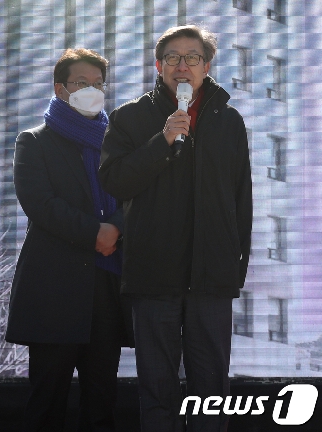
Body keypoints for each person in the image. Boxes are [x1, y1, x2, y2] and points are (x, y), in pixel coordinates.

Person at [99, 25, 252, 432]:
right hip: (154, 276)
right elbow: (115, 181)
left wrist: (234, 269)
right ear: (158, 64)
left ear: (206, 66)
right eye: (172, 57)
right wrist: (162, 140)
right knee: (157, 392)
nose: (181, 66)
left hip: (210, 280)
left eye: (192, 58)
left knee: (211, 396)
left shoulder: (229, 120)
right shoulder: (130, 117)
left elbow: (242, 200)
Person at [5, 48, 134, 432]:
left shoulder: (119, 144)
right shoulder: (34, 141)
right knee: (47, 401)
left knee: (101, 404)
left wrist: (116, 226)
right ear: (61, 89)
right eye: (82, 83)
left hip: (107, 287)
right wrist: (98, 232)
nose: (91, 90)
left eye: (98, 84)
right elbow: (41, 205)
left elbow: (135, 192)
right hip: (55, 290)